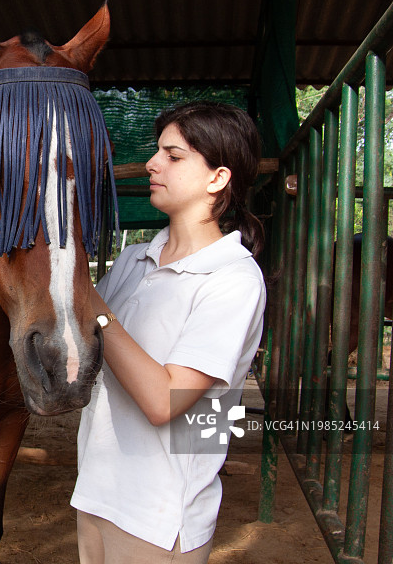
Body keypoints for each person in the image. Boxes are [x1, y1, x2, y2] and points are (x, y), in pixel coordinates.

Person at [72, 101, 267, 563]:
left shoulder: (233, 279)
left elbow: (165, 402)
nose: (151, 163)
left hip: (160, 521)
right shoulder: (133, 259)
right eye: (157, 151)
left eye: (173, 156)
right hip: (96, 495)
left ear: (218, 178)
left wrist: (94, 303)